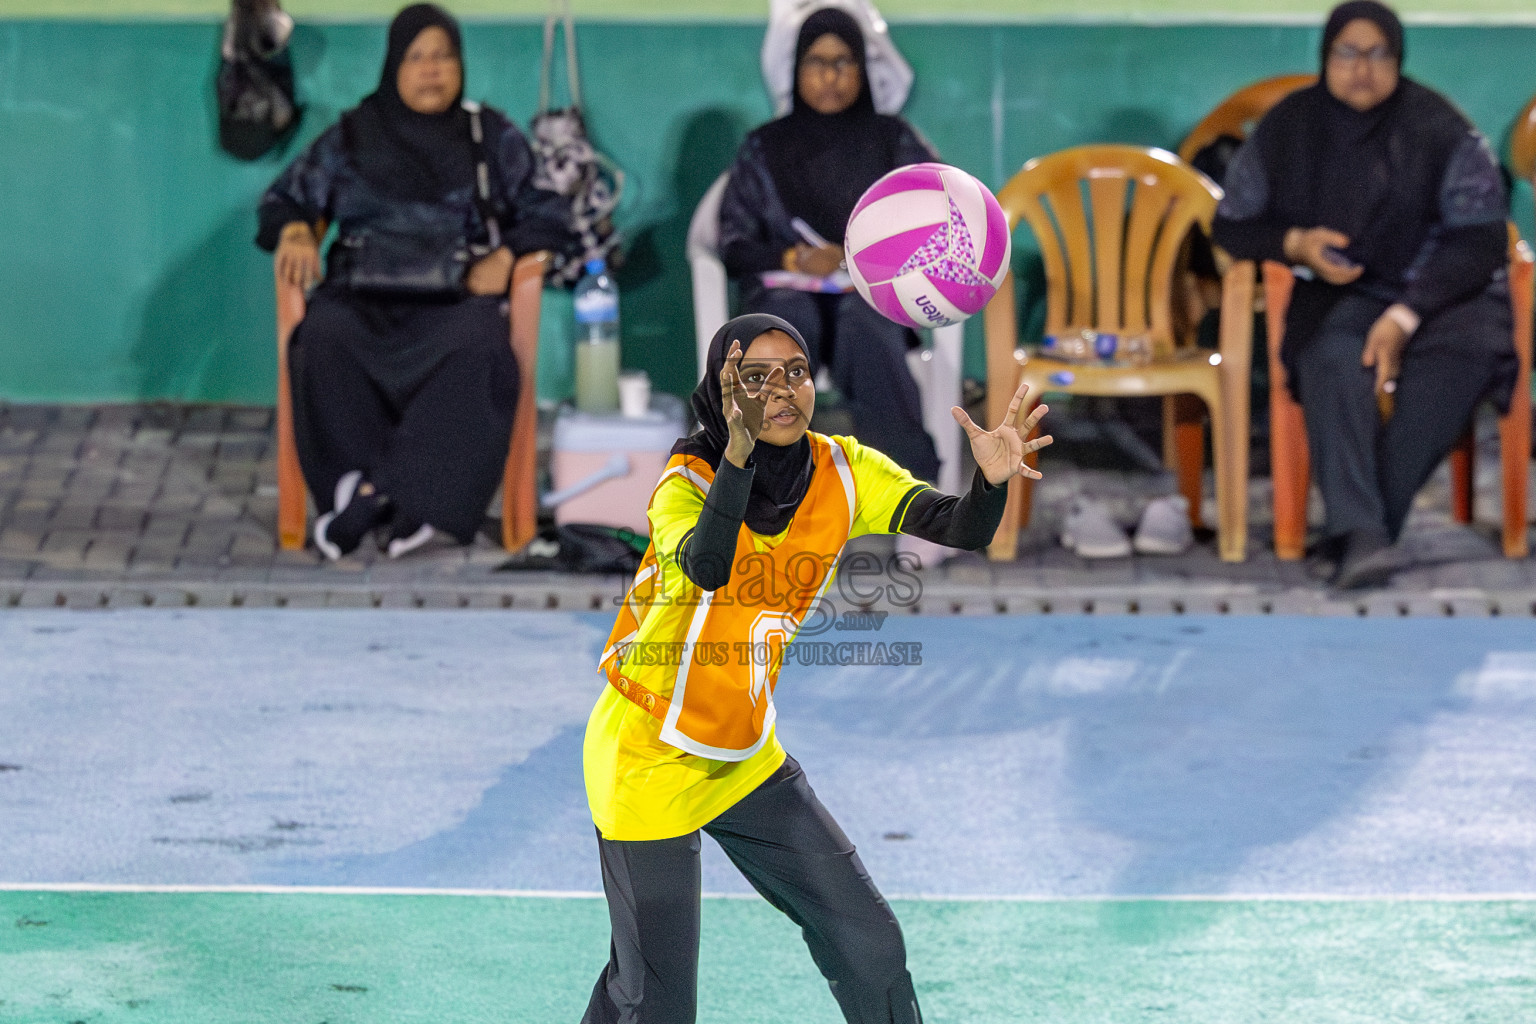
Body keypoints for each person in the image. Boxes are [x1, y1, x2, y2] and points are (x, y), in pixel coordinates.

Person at [579, 313, 1052, 1024]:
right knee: (654, 1004)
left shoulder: (843, 468)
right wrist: (737, 456)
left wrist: (989, 482)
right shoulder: (684, 481)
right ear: (722, 391)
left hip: (741, 750)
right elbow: (709, 565)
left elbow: (961, 528)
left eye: (795, 372)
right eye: (756, 377)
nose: (782, 391)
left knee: (868, 943)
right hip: (647, 752)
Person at [1212, 0, 1515, 589]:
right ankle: (1367, 536)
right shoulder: (1290, 127)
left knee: (1456, 364)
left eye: (1378, 54)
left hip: (1454, 296)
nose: (1362, 68)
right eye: (1347, 53)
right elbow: (1232, 223)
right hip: (1351, 292)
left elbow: (1480, 241)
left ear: (1399, 60)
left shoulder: (1439, 126)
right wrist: (1295, 244)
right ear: (1325, 57)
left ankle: (1359, 532)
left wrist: (1405, 316)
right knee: (1330, 360)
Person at [256, 3, 569, 559]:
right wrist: (297, 232)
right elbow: (283, 198)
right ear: (393, 66)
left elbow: (548, 210)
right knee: (321, 338)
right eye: (417, 57)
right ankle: (396, 499)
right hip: (360, 300)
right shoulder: (351, 135)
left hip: (455, 301)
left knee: (482, 349)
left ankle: (377, 497)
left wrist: (508, 256)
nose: (432, 70)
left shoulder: (487, 135)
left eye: (444, 57)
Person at [718, 7, 941, 483]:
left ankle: (912, 497)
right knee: (782, 330)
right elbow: (733, 245)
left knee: (867, 328)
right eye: (816, 62)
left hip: (867, 295)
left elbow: (935, 220)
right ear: (796, 70)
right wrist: (794, 258)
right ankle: (765, 492)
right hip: (787, 293)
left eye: (844, 62)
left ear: (863, 68)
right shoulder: (764, 146)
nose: (830, 76)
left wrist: (856, 258)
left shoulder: (893, 141)